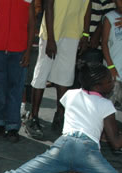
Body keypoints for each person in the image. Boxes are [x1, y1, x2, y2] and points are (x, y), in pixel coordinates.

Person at [26, 0, 91, 139]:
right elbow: (48, 6)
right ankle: (33, 117)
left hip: (73, 33)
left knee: (65, 78)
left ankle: (60, 116)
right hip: (52, 33)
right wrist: (50, 38)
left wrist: (85, 34)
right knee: (41, 76)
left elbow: (87, 7)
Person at [0, 0, 35, 142]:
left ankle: (12, 126)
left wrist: (28, 51)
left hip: (19, 50)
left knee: (16, 89)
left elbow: (31, 24)